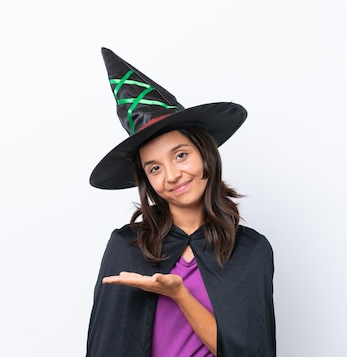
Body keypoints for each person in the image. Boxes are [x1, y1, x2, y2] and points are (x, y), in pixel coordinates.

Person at [86, 48, 276, 357]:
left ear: (205, 154)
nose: (172, 175)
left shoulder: (249, 250)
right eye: (155, 168)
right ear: (147, 180)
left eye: (181, 155)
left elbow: (246, 351)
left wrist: (179, 294)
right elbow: (109, 343)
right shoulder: (127, 246)